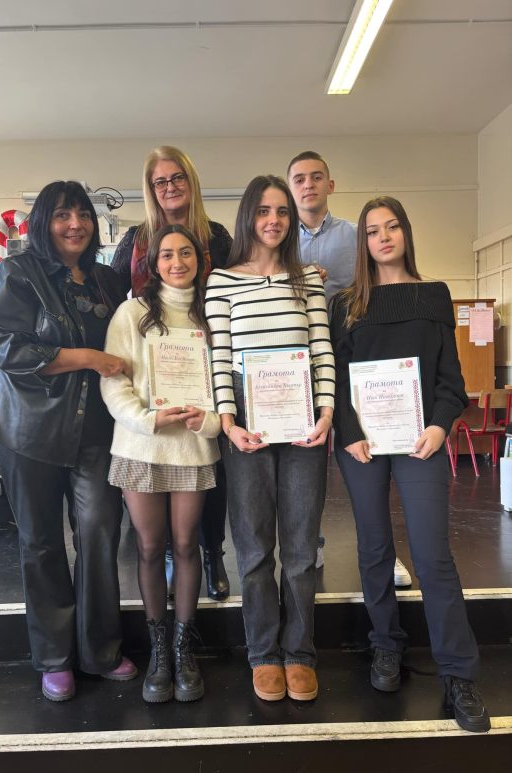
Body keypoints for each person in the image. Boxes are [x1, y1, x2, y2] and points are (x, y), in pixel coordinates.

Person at [330, 195, 490, 733]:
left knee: (432, 554)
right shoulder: (346, 304)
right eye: (373, 230)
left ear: (406, 233)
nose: (383, 236)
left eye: (392, 226)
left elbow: (451, 381)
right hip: (363, 445)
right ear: (363, 242)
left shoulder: (433, 295)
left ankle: (458, 672)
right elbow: (336, 380)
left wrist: (441, 426)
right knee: (374, 548)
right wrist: (349, 432)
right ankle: (385, 645)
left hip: (421, 440)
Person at [0, 181, 137, 702]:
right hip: (28, 430)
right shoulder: (17, 272)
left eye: (83, 214)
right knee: (41, 543)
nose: (75, 224)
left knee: (99, 532)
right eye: (63, 214)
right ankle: (54, 657)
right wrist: (88, 358)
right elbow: (6, 346)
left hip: (96, 432)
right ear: (43, 222)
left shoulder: (108, 280)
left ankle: (100, 651)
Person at [205, 175, 335, 702]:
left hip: (303, 424)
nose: (274, 220)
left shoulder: (308, 281)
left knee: (301, 548)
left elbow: (322, 348)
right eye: (263, 211)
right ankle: (263, 652)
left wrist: (327, 412)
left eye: (282, 211)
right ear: (247, 217)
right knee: (254, 545)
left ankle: (300, 652)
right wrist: (228, 422)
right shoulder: (221, 281)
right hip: (247, 427)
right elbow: (219, 357)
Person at [101, 224, 221, 703]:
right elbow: (113, 382)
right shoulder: (131, 313)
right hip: (140, 446)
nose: (177, 262)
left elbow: (226, 383)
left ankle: (183, 648)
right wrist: (147, 418)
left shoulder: (211, 313)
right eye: (167, 254)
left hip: (192, 448)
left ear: (199, 260)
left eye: (185, 253)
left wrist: (209, 421)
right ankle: (158, 651)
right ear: (153, 263)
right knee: (150, 548)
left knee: (188, 545)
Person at [112, 145, 231, 601]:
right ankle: (171, 561)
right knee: (156, 528)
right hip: (151, 381)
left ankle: (212, 552)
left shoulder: (217, 236)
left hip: (204, 369)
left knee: (210, 474)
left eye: (177, 177)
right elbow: (111, 294)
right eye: (159, 181)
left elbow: (240, 282)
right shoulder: (135, 240)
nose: (169, 187)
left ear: (191, 181)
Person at [287, 150, 412, 588]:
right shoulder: (279, 240)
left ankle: (386, 554)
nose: (308, 185)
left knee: (373, 457)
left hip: (354, 359)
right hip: (297, 362)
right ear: (290, 188)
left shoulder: (356, 236)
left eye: (316, 177)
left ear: (330, 185)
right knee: (305, 463)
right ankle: (312, 543)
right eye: (299, 179)